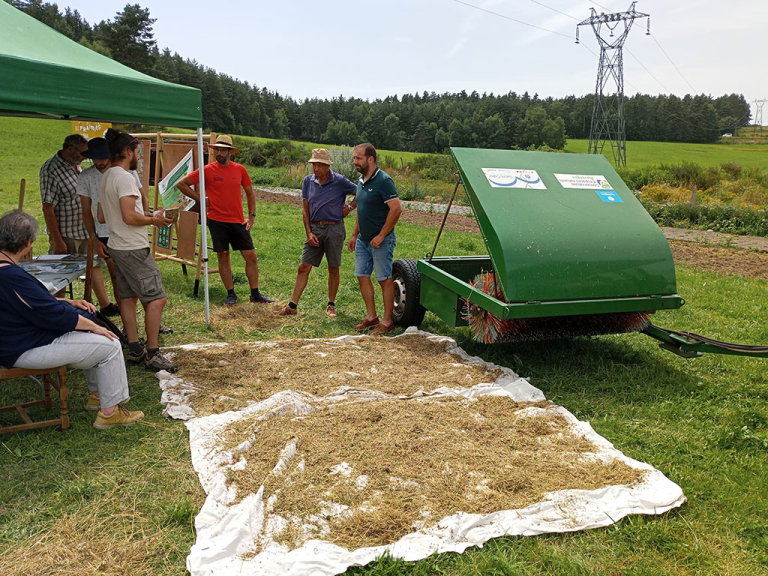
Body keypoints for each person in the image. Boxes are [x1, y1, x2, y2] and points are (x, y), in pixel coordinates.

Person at [0, 210, 144, 430]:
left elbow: (29, 304)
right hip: (22, 348)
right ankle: (110, 413)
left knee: (89, 334)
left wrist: (68, 303)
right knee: (111, 344)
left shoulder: (7, 270)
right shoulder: (10, 275)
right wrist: (94, 326)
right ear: (28, 243)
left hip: (15, 341)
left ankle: (97, 395)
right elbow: (52, 314)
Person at [98, 128, 177, 373]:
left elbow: (102, 215)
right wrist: (153, 221)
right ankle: (152, 355)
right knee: (157, 299)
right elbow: (129, 216)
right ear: (126, 151)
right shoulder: (124, 178)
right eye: (137, 153)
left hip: (118, 246)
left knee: (128, 298)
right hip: (132, 247)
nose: (139, 158)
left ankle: (134, 349)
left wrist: (150, 215)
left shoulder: (106, 176)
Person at [176, 134, 273, 306]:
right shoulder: (207, 170)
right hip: (216, 220)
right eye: (217, 150)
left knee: (251, 256)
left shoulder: (240, 170)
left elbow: (250, 194)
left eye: (223, 150)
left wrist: (251, 217)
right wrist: (200, 199)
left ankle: (255, 294)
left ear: (230, 152)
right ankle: (231, 294)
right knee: (223, 256)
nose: (219, 153)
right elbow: (181, 184)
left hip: (237, 221)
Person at [278, 149, 357, 318]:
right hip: (315, 229)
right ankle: (292, 306)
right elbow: (305, 210)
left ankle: (331, 305)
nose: (316, 169)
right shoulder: (308, 181)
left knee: (333, 267)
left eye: (320, 165)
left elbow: (361, 192)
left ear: (328, 166)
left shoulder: (340, 181)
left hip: (335, 229)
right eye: (314, 165)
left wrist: (349, 208)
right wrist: (308, 232)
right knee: (303, 266)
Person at [346, 143, 402, 336]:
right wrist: (354, 235)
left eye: (358, 158)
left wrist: (381, 236)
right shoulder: (361, 180)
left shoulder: (384, 181)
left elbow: (396, 209)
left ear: (370, 159)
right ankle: (372, 317)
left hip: (381, 241)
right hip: (363, 240)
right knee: (362, 276)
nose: (355, 162)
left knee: (384, 279)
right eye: (354, 158)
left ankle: (387, 322)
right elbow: (362, 211)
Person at [77, 137, 120, 316]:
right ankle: (125, 318)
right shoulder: (85, 176)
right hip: (103, 233)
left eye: (103, 157)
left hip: (126, 231)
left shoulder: (123, 172)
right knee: (116, 276)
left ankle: (149, 316)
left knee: (133, 277)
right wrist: (94, 239)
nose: (99, 162)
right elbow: (86, 212)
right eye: (95, 158)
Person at [39, 134, 89, 255]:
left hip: (84, 232)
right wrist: (58, 241)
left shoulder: (75, 162)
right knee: (64, 273)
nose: (84, 157)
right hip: (67, 236)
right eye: (82, 153)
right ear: (70, 149)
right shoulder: (51, 170)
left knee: (89, 270)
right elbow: (48, 208)